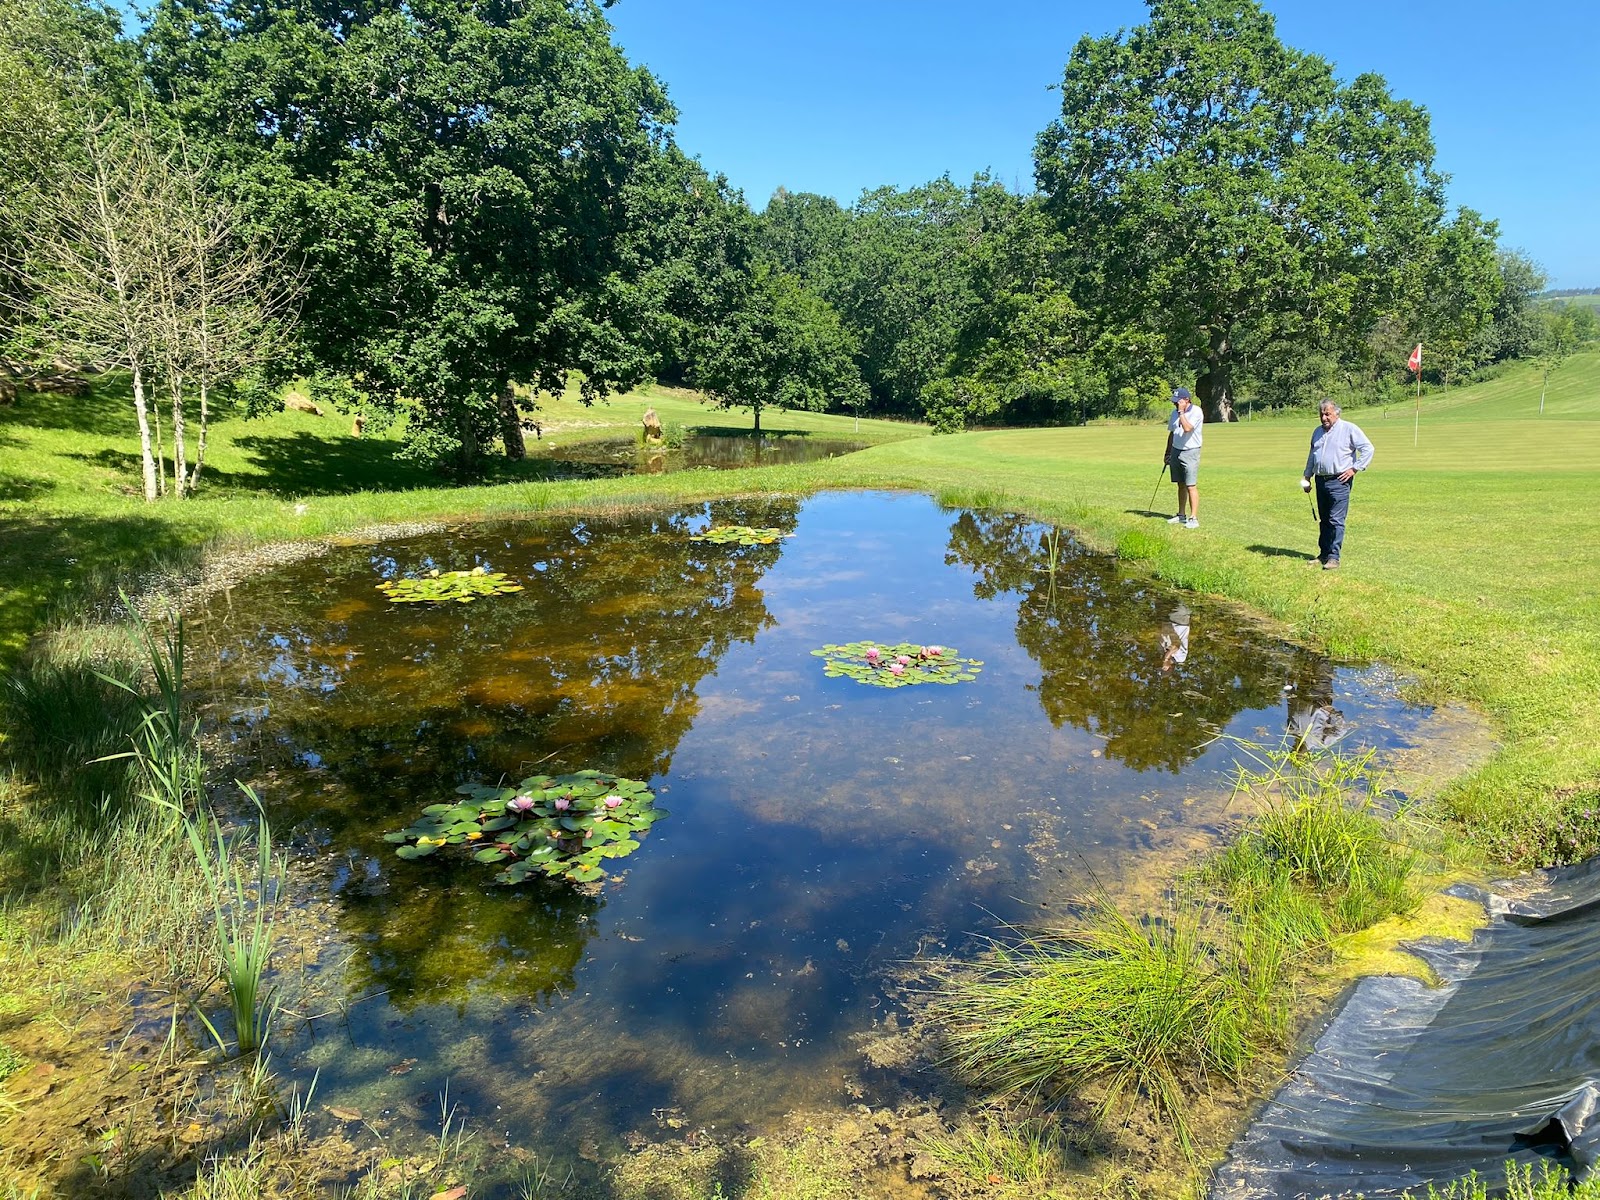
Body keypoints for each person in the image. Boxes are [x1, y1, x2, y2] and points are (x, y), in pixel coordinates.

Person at [1301, 400, 1374, 570]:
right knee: (1324, 520)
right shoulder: (1317, 432)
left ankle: (1334, 558)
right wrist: (1307, 476)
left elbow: (1368, 448)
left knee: (1336, 520)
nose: (1324, 417)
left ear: (1337, 413)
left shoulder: (1349, 429)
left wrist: (1354, 469)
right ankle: (1324, 554)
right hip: (1320, 480)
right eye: (1321, 414)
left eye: (1327, 414)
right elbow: (1313, 455)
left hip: (1339, 481)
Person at [1164, 387, 1203, 528]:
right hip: (1176, 450)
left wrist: (1181, 412)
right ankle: (1181, 515)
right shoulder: (1174, 413)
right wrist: (1167, 452)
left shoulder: (1196, 411)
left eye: (1177, 401)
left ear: (1186, 400)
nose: (1175, 404)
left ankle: (1193, 518)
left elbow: (1187, 428)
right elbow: (1172, 433)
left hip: (1190, 451)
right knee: (1180, 484)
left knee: (1190, 485)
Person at [1160, 603, 1191, 673]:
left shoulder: (1164, 652)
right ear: (1170, 667)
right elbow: (1175, 647)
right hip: (1180, 622)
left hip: (1170, 621)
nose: (1162, 666)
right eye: (1164, 668)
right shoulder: (1180, 658)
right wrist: (1166, 659)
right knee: (1183, 601)